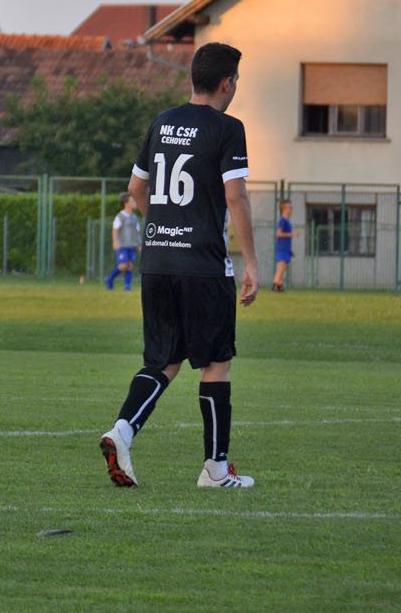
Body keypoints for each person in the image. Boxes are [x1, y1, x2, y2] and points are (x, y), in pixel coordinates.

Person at [98, 41, 261, 490]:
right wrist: (250, 261)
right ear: (227, 83)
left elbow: (135, 187)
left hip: (157, 260)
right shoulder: (229, 128)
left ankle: (122, 431)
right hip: (204, 265)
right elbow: (236, 195)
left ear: (193, 77)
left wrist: (165, 228)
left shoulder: (162, 122)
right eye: (237, 81)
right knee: (216, 362)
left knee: (163, 359)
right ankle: (215, 469)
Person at [103, 192, 140, 292]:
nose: (135, 203)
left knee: (130, 266)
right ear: (126, 203)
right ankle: (109, 279)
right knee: (123, 265)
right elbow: (115, 230)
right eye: (132, 201)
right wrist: (115, 242)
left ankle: (127, 286)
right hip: (122, 245)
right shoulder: (120, 216)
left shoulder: (135, 217)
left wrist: (139, 244)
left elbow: (137, 232)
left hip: (132, 245)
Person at [272, 199, 293, 292]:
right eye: (290, 207)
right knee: (281, 268)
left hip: (286, 249)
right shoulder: (283, 220)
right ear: (284, 209)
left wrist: (290, 250)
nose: (291, 209)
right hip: (282, 248)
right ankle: (276, 285)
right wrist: (291, 234)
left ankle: (279, 286)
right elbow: (279, 234)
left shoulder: (286, 221)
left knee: (283, 268)